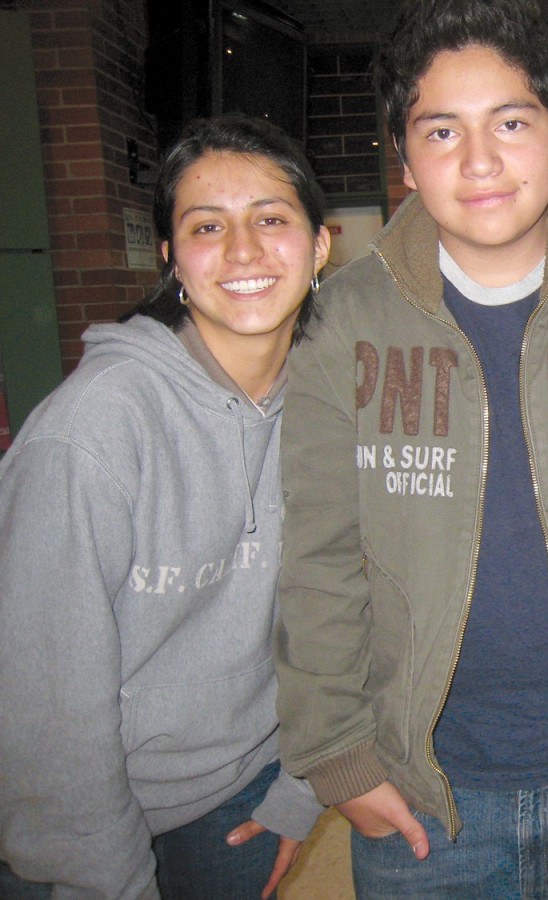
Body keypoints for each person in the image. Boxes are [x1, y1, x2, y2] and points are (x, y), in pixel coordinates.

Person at [271, 0, 548, 896]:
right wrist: (339, 758)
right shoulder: (340, 323)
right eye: (441, 130)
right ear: (404, 155)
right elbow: (317, 560)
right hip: (425, 794)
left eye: (510, 122)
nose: (479, 161)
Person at [0, 114, 331, 899]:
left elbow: (344, 613)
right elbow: (42, 703)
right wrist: (104, 880)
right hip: (86, 827)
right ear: (171, 259)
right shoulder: (91, 433)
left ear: (320, 248)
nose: (244, 250)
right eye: (207, 226)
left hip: (241, 796)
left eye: (272, 220)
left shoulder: (330, 410)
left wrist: (301, 789)